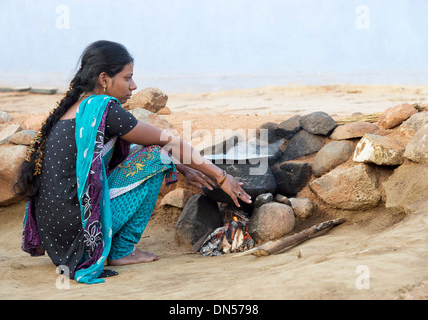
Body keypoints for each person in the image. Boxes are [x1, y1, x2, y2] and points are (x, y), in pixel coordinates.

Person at [14, 40, 251, 284]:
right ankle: (123, 250)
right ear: (104, 79)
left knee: (153, 153)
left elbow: (135, 148)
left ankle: (114, 246)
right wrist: (221, 177)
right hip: (81, 239)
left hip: (59, 243)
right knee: (156, 157)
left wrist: (181, 167)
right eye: (128, 78)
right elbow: (169, 141)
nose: (134, 86)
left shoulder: (76, 109)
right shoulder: (104, 108)